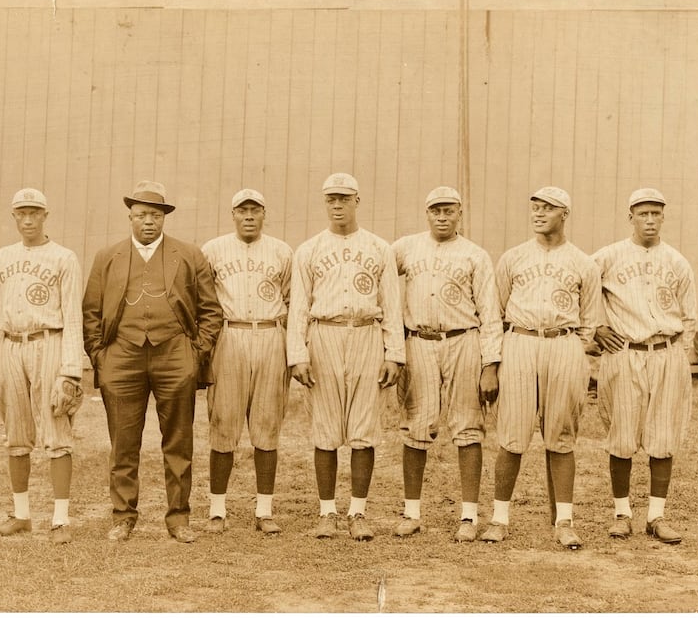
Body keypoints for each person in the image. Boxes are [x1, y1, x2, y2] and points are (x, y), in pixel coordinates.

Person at [84, 180, 223, 544]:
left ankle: (179, 518)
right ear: (130, 217)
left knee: (178, 442)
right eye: (142, 215)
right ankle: (123, 516)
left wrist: (195, 354)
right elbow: (91, 312)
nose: (149, 222)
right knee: (123, 443)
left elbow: (211, 311)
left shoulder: (189, 255)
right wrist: (101, 357)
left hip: (175, 356)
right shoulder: (107, 256)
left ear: (164, 219)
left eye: (156, 215)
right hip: (122, 357)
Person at [484, 186, 603, 549]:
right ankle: (499, 519)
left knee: (561, 437)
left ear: (564, 214)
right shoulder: (513, 258)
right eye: (534, 207)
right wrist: (491, 364)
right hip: (520, 341)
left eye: (548, 208)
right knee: (513, 438)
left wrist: (571, 351)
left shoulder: (583, 262)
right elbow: (493, 315)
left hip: (563, 343)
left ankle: (564, 520)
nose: (538, 213)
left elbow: (590, 320)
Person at [287, 172, 405, 541]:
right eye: (330, 199)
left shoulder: (379, 247)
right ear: (325, 203)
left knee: (363, 429)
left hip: (366, 333)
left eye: (344, 199)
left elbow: (392, 305)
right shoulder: (308, 250)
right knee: (325, 428)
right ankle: (326, 513)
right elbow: (298, 308)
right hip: (324, 333)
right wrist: (297, 354)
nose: (337, 205)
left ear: (357, 201)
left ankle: (357, 511)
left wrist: (394, 353)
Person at [390, 186, 502, 541]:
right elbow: (377, 274)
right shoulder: (406, 247)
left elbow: (490, 312)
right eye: (436, 210)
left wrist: (490, 364)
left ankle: (468, 517)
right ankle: (411, 512)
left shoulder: (475, 255)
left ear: (459, 213)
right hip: (419, 340)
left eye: (448, 211)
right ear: (427, 213)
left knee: (467, 427)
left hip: (463, 339)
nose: (442, 216)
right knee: (416, 426)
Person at [591, 188, 697, 544]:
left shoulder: (677, 261)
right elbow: (580, 288)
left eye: (655, 213)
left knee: (662, 438)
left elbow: (690, 316)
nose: (649, 220)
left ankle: (656, 515)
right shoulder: (607, 256)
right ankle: (622, 513)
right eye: (643, 214)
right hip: (625, 351)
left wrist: (679, 357)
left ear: (663, 217)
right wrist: (595, 327)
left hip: (666, 351)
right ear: (630, 217)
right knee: (621, 436)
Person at [0, 188, 86, 544]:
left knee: (57, 434)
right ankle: (22, 514)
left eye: (34, 213)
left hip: (50, 342)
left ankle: (60, 519)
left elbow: (73, 316)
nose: (27, 219)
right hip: (11, 344)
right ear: (13, 217)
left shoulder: (64, 258)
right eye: (21, 213)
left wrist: (71, 369)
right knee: (16, 435)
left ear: (46, 215)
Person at [198, 188, 292, 535]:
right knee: (223, 424)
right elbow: (202, 300)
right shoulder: (213, 249)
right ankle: (217, 509)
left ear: (264, 214)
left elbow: (291, 298)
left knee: (267, 426)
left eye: (255, 210)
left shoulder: (282, 251)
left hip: (269, 332)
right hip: (230, 333)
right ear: (233, 214)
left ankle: (264, 510)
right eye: (242, 210)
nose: (249, 216)